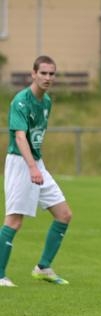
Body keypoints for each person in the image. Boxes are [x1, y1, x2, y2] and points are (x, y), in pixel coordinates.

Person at [0, 55, 72, 287]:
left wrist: (37, 165)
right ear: (33, 74)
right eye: (43, 73)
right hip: (21, 164)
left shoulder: (47, 101)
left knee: (64, 215)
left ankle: (43, 267)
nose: (48, 77)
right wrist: (32, 167)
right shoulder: (20, 101)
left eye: (51, 73)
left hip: (36, 163)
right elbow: (20, 136)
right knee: (13, 221)